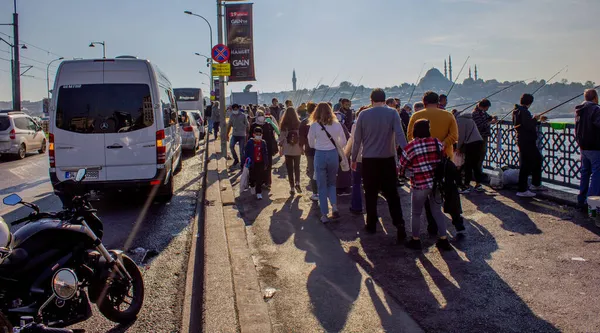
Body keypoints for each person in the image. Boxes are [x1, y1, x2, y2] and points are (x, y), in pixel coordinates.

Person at [352, 88, 407, 240]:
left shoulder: (363, 114)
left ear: (371, 100)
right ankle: (399, 224)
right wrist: (408, 153)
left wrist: (353, 159)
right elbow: (400, 135)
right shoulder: (392, 113)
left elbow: (357, 140)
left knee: (370, 194)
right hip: (387, 159)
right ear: (384, 99)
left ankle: (371, 224)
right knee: (392, 195)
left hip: (369, 160)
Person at [407, 91, 461, 234]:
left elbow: (410, 137)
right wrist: (442, 145)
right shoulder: (448, 115)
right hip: (445, 160)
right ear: (438, 102)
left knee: (428, 196)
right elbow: (454, 136)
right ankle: (457, 222)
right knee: (451, 191)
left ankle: (432, 226)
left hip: (423, 161)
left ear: (423, 102)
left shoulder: (416, 116)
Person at [399, 119, 452, 251]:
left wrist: (406, 172)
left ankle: (415, 240)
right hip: (436, 184)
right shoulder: (437, 143)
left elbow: (401, 166)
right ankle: (443, 239)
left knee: (416, 213)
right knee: (437, 211)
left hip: (419, 184)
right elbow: (443, 159)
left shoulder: (411, 147)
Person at [308, 103, 347, 223]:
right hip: (333, 154)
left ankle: (324, 214)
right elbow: (344, 142)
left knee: (321, 185)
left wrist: (319, 145)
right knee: (332, 183)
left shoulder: (314, 125)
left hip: (320, 154)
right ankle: (334, 207)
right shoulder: (336, 124)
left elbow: (311, 143)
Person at [513, 93, 545, 198]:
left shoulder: (516, 110)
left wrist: (536, 121)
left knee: (533, 161)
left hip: (522, 140)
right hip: (527, 141)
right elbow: (528, 126)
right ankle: (524, 188)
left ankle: (534, 184)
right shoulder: (524, 112)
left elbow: (523, 124)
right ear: (530, 102)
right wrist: (535, 119)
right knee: (530, 163)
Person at [576, 89, 600, 209]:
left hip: (583, 146)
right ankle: (591, 202)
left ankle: (581, 198)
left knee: (585, 172)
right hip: (594, 146)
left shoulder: (579, 110)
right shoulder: (595, 109)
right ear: (595, 98)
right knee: (597, 173)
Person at [345, 106, 370, 214]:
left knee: (356, 183)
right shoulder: (373, 125)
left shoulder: (355, 125)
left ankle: (356, 207)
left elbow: (353, 141)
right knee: (369, 184)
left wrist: (346, 154)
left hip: (358, 157)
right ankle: (371, 208)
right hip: (370, 157)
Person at [456, 109, 485, 193]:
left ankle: (466, 186)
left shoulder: (459, 120)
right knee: (475, 164)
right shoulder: (469, 119)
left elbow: (461, 136)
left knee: (468, 165)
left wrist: (458, 147)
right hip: (479, 141)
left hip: (471, 143)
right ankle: (478, 184)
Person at [249, 109, 278, 189]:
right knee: (258, 166)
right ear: (256, 116)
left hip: (267, 149)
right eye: (259, 115)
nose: (261, 117)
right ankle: (258, 182)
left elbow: (272, 137)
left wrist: (273, 148)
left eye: (262, 115)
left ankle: (267, 182)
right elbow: (250, 138)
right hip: (256, 149)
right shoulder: (253, 125)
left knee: (268, 165)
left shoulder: (268, 125)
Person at [279, 107, 303, 195]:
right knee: (297, 167)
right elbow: (301, 136)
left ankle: (292, 188)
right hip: (297, 149)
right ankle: (298, 183)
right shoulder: (299, 123)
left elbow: (281, 138)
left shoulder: (284, 124)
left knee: (289, 169)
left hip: (287, 149)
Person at [471, 99, 497, 179]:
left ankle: (479, 171)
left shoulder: (482, 112)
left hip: (483, 136)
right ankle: (477, 173)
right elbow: (480, 126)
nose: (487, 109)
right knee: (479, 155)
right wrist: (490, 123)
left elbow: (487, 117)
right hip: (479, 137)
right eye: (487, 107)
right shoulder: (475, 114)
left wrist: (492, 117)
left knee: (482, 154)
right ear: (484, 106)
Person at [244, 127, 270, 200]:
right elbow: (246, 153)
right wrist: (246, 161)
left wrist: (266, 163)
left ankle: (258, 192)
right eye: (257, 134)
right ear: (253, 134)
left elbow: (265, 153)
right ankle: (252, 185)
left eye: (260, 134)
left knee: (259, 178)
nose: (258, 136)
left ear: (262, 135)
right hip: (252, 163)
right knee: (252, 176)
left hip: (260, 163)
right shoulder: (250, 142)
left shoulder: (263, 143)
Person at [300, 102, 319, 201]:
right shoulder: (321, 120)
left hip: (309, 150)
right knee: (321, 171)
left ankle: (315, 193)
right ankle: (322, 191)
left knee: (312, 171)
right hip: (321, 149)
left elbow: (302, 137)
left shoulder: (304, 122)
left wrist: (301, 147)